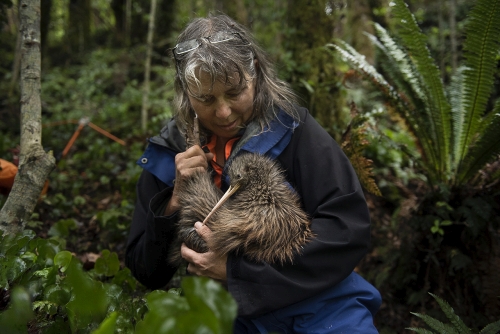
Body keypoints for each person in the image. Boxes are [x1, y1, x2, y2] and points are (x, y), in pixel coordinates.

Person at [126, 13, 382, 333]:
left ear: (255, 74)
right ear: (185, 90)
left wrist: (237, 272)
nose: (223, 112)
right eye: (205, 99)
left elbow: (347, 233)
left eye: (234, 93)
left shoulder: (295, 130)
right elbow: (145, 270)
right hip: (224, 314)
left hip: (320, 306)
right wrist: (172, 202)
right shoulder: (170, 153)